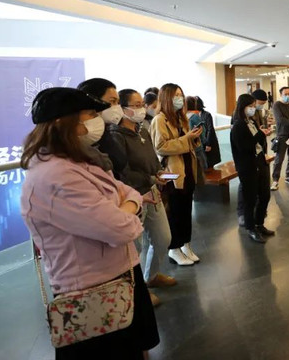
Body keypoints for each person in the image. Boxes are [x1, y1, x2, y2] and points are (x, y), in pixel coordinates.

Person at [20, 88, 159, 358]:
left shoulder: (77, 162)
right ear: (63, 122)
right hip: (92, 294)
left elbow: (126, 191)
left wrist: (125, 206)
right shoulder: (56, 177)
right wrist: (127, 209)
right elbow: (121, 229)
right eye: (89, 116)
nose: (93, 124)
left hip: (118, 279)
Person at [108, 89, 176, 304]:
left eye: (141, 105)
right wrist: (150, 178)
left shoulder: (142, 131)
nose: (141, 109)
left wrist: (159, 173)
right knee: (134, 247)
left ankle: (152, 275)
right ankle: (136, 293)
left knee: (163, 238)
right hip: (132, 197)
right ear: (123, 109)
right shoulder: (115, 136)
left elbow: (153, 160)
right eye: (136, 105)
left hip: (152, 191)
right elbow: (123, 172)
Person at [149, 83, 203, 266]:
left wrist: (194, 138)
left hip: (187, 169)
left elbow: (186, 142)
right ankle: (174, 248)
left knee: (186, 210)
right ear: (167, 98)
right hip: (172, 173)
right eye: (176, 95)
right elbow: (161, 147)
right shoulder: (160, 120)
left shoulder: (180, 118)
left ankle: (185, 244)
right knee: (175, 212)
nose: (180, 98)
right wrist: (186, 139)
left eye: (181, 94)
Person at [230, 94, 275, 243]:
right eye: (250, 106)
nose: (253, 109)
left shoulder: (252, 122)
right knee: (250, 199)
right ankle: (251, 228)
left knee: (264, 195)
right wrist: (259, 134)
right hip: (247, 167)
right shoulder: (238, 126)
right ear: (242, 107)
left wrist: (262, 134)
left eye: (254, 106)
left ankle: (259, 224)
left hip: (260, 162)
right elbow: (245, 147)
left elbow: (258, 141)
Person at [271, 87, 289, 190]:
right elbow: (280, 120)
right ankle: (275, 180)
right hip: (282, 136)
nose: (287, 96)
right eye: (285, 94)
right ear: (281, 95)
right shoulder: (277, 105)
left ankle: (288, 176)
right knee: (279, 159)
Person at [197, 97, 221, 170]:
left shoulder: (207, 115)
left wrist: (208, 144)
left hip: (208, 142)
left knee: (210, 163)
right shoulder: (194, 116)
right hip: (201, 144)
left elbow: (210, 129)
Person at [185, 96, 208, 174]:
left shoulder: (183, 116)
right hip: (197, 147)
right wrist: (204, 141)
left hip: (187, 147)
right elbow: (202, 131)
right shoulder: (195, 116)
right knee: (201, 170)